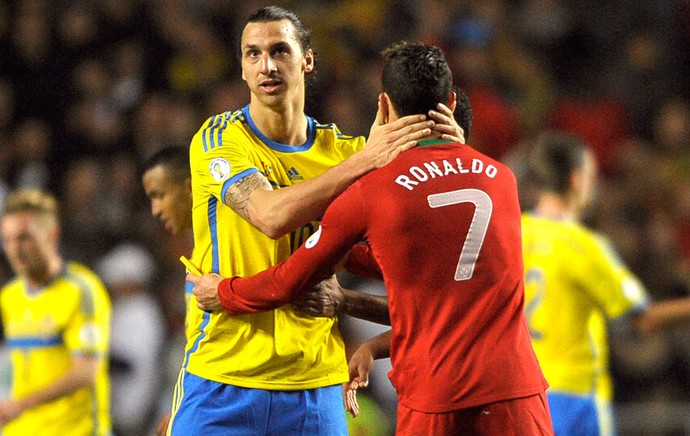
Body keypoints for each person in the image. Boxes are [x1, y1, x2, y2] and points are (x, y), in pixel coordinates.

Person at [190, 41, 553, 435]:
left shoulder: (372, 191)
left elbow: (287, 282)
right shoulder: (502, 178)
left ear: (384, 105)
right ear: (450, 102)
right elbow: (446, 279)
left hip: (436, 399)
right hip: (517, 393)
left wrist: (224, 292)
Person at [170, 6, 464, 435]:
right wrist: (365, 161)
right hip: (222, 378)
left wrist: (455, 151)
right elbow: (269, 215)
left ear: (307, 60)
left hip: (315, 386)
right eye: (252, 54)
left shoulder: (345, 151)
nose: (266, 65)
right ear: (241, 68)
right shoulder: (220, 138)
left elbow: (420, 258)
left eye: (279, 51)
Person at [518, 131, 690, 436]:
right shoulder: (584, 247)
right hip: (574, 396)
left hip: (520, 395)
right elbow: (643, 319)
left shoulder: (510, 235)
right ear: (576, 180)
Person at [0, 189, 112, 435]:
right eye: (7, 240)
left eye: (24, 238)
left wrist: (22, 404)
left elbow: (87, 370)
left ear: (52, 236)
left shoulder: (81, 290)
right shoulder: (10, 296)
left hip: (74, 429)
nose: (14, 250)